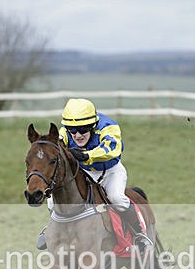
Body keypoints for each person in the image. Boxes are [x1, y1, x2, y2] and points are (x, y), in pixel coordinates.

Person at [37, 98, 153, 254]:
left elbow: (112, 148)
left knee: (117, 198)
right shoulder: (64, 132)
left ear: (93, 125)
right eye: (72, 130)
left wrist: (87, 155)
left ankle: (140, 234)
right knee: (52, 200)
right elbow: (56, 149)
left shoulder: (108, 127)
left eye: (83, 129)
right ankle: (51, 228)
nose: (77, 135)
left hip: (110, 172)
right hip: (83, 172)